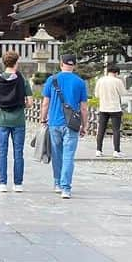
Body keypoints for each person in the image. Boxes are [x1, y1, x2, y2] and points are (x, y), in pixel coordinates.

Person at [41, 54, 89, 199]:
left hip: (55, 122)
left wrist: (43, 119)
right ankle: (66, 188)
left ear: (61, 64)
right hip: (72, 124)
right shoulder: (80, 82)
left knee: (57, 154)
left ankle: (57, 183)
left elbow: (45, 103)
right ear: (74, 65)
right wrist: (84, 125)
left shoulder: (52, 80)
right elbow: (84, 108)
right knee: (69, 155)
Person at [0, 50, 27, 192]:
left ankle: (2, 183)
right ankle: (18, 184)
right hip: (18, 121)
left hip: (2, 120)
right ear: (16, 62)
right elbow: (29, 101)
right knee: (18, 153)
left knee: (2, 152)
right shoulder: (21, 78)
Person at [94, 63, 128, 157]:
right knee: (116, 130)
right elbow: (123, 93)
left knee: (101, 129)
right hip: (115, 108)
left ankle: (98, 150)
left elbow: (96, 95)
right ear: (116, 73)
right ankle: (116, 151)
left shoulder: (100, 80)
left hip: (103, 107)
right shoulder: (117, 81)